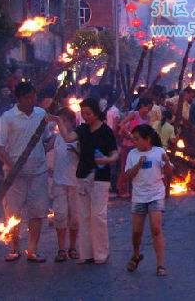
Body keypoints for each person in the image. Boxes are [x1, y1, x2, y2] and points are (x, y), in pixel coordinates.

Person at [53, 98, 118, 264]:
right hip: (82, 175)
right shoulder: (82, 129)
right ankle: (87, 252)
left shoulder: (106, 131)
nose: (86, 117)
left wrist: (106, 160)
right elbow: (68, 138)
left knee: (98, 215)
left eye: (89, 113)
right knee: (84, 216)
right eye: (83, 114)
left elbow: (115, 153)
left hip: (100, 177)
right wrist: (59, 121)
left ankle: (101, 252)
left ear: (96, 113)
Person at [0, 82, 51, 262]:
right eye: (28, 98)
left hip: (38, 173)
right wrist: (12, 167)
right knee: (13, 212)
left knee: (37, 212)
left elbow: (46, 140)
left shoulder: (41, 114)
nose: (32, 100)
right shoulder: (8, 117)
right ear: (18, 98)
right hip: (15, 176)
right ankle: (13, 248)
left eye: (34, 97)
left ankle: (32, 250)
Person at [124, 124, 172, 276]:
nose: (135, 142)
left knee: (156, 229)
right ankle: (136, 254)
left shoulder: (159, 152)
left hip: (155, 195)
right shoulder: (132, 154)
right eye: (134, 139)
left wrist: (167, 161)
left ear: (148, 139)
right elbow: (128, 176)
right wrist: (138, 165)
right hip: (138, 196)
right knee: (137, 231)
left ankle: (160, 264)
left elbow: (169, 173)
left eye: (137, 139)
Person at [51, 107, 80, 262]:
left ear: (71, 122)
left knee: (74, 217)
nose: (61, 124)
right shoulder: (56, 138)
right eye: (59, 120)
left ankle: (73, 247)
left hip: (75, 183)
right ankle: (61, 248)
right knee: (60, 215)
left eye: (64, 121)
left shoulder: (77, 137)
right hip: (59, 182)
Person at [117, 97, 154, 198]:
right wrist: (130, 135)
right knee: (125, 167)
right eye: (148, 108)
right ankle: (122, 190)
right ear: (142, 106)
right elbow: (121, 124)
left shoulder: (148, 118)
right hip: (128, 145)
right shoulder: (134, 114)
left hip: (139, 147)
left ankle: (136, 190)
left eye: (150, 109)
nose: (148, 111)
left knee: (138, 168)